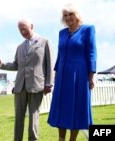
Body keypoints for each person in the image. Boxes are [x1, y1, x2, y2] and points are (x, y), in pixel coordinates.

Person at [0, 19, 54, 141]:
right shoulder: (19, 47)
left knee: (34, 116)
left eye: (25, 28)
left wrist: (48, 84)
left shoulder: (45, 42)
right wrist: (1, 64)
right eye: (20, 30)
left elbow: (50, 64)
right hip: (20, 86)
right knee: (19, 117)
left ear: (32, 26)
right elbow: (16, 65)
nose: (23, 32)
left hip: (37, 85)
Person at [47, 3, 97, 141]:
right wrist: (56, 73)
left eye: (71, 14)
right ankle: (61, 139)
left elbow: (92, 53)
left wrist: (91, 76)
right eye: (65, 15)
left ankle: (72, 139)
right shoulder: (61, 33)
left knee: (77, 107)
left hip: (80, 75)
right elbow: (60, 55)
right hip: (62, 76)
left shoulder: (88, 29)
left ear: (77, 16)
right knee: (62, 107)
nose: (68, 17)